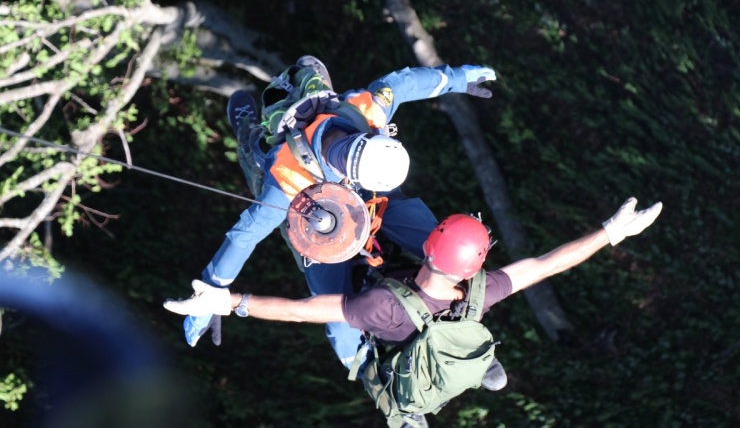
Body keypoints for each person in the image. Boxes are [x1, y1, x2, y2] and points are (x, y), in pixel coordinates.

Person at [165, 197, 663, 428]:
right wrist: (611, 233)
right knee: (448, 324)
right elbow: (545, 265)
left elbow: (303, 311)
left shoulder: (378, 307)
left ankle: (406, 416)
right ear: (472, 267)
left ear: (428, 246)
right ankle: (479, 367)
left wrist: (228, 301)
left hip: (380, 345)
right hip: (440, 328)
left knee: (322, 278)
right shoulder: (480, 291)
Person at [180, 55, 498, 371]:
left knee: (446, 249)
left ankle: (469, 338)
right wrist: (212, 289)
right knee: (334, 310)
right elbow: (246, 234)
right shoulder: (289, 173)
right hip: (316, 216)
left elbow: (403, 83)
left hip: (378, 199)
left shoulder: (366, 111)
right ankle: (368, 373)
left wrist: (457, 78)